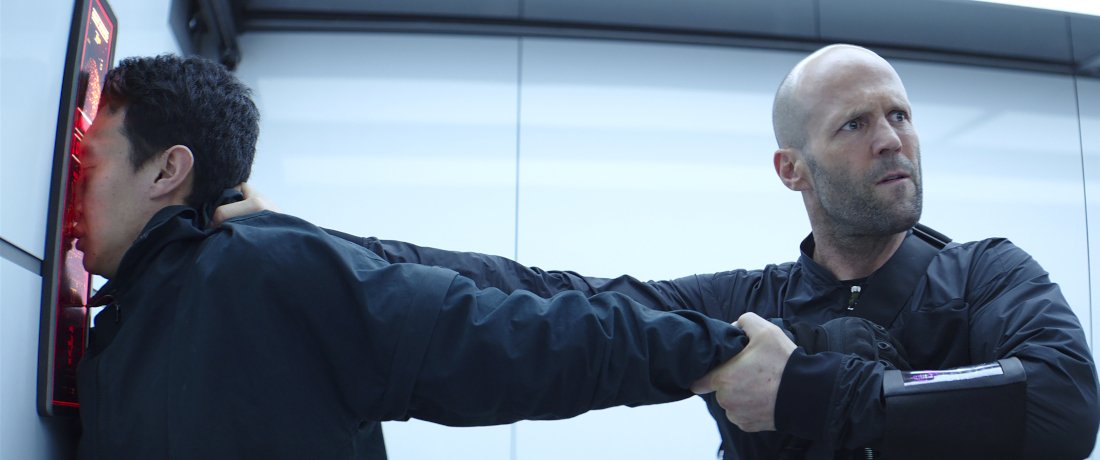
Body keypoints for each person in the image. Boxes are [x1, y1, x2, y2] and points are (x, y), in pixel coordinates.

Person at [219, 44, 1099, 459]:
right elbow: (540, 291)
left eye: (900, 114)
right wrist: (305, 241)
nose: (891, 138)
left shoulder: (986, 275)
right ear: (791, 169)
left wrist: (801, 390)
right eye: (856, 124)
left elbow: (1062, 401)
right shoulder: (747, 306)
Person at [71, 54, 766, 459]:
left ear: (167, 170)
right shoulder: (126, 323)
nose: (74, 189)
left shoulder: (257, 275)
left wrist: (719, 353)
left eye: (90, 164)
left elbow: (518, 335)